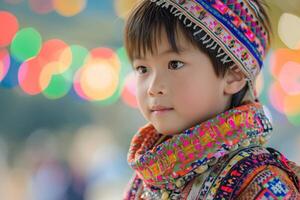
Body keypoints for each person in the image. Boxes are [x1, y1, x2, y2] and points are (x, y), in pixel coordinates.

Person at [122, 0, 300, 199]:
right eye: (142, 69)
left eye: (174, 64)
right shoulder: (146, 178)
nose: (153, 88)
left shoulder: (263, 183)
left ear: (234, 75)